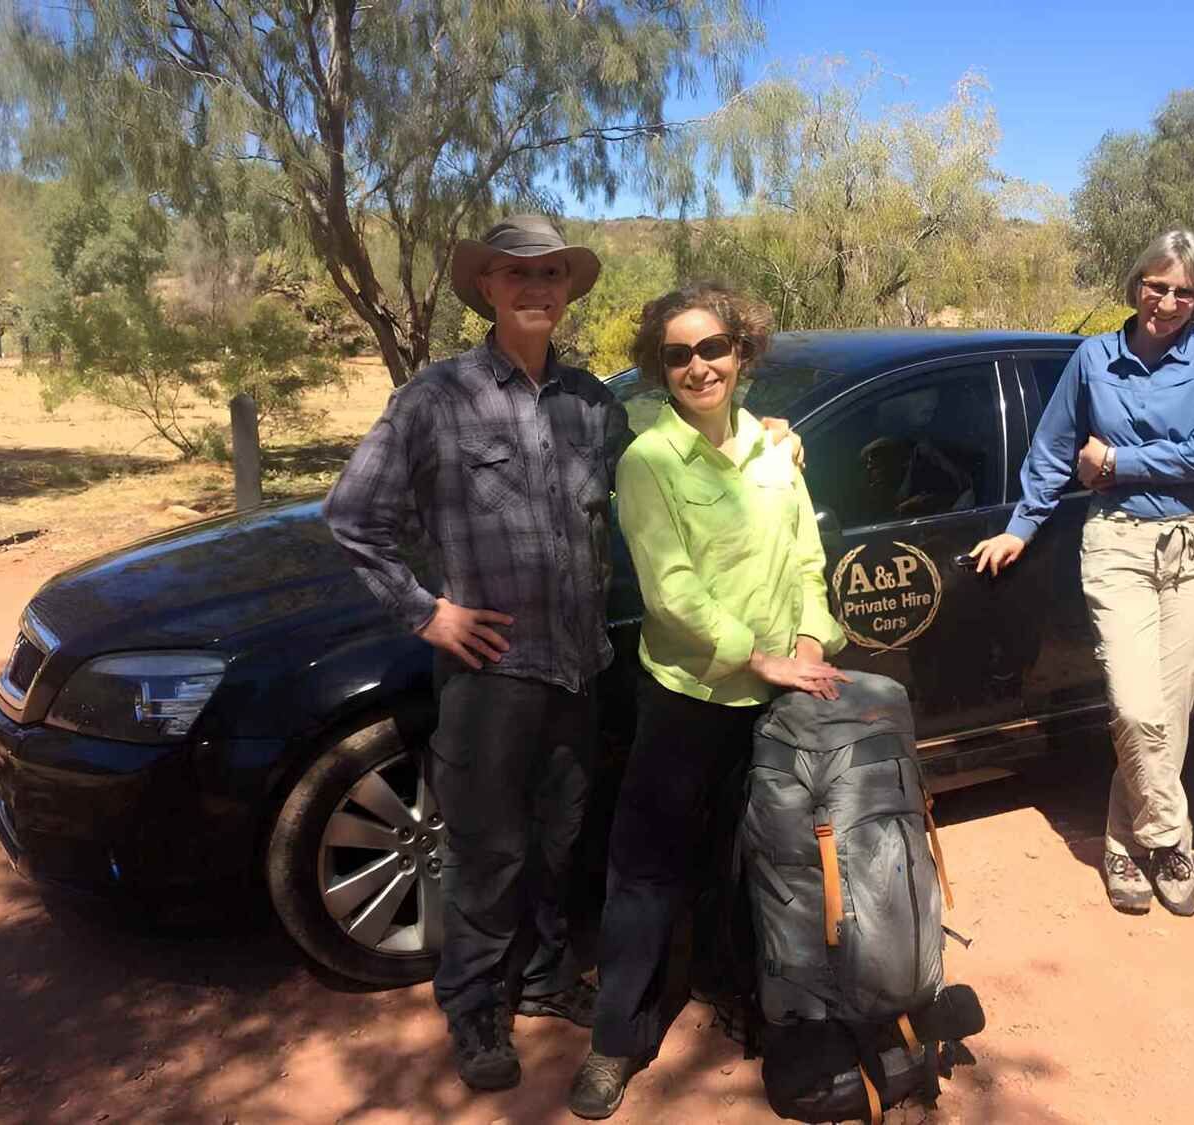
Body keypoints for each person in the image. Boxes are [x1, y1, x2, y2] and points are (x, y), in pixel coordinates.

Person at [324, 215, 624, 1091]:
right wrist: (426, 614)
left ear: (568, 291)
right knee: (488, 852)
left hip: (580, 669)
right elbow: (353, 516)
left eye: (552, 275)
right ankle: (474, 1005)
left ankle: (540, 977)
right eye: (516, 274)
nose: (537, 288)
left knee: (559, 839)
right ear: (486, 289)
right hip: (492, 679)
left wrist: (764, 443)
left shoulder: (594, 403)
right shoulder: (436, 398)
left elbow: (659, 488)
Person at [567, 282, 849, 1119]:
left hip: (774, 700)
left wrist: (810, 637)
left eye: (713, 348)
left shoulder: (775, 453)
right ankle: (617, 1040)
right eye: (678, 353)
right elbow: (672, 593)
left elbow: (807, 557)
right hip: (688, 699)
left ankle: (752, 999)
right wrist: (760, 657)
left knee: (755, 863)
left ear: (742, 352)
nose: (699, 365)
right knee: (645, 874)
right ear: (659, 366)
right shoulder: (649, 462)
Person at [969, 230, 1194, 917]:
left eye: (1185, 290)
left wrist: (1116, 463)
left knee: (1170, 714)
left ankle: (1122, 843)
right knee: (1134, 706)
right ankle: (1168, 837)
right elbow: (1056, 451)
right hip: (1116, 543)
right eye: (1157, 284)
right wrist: (1020, 526)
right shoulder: (1094, 358)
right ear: (1135, 283)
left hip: (1190, 548)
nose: (1169, 301)